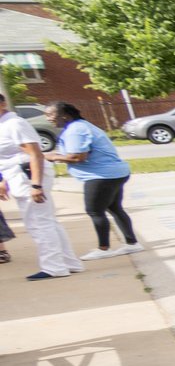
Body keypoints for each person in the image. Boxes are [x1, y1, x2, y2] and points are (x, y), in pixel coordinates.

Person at [43, 101, 139, 256]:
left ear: (65, 115)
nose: (47, 118)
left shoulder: (76, 130)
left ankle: (104, 249)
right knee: (114, 208)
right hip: (114, 173)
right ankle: (132, 243)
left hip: (101, 176)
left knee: (95, 211)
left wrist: (52, 157)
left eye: (50, 114)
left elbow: (78, 157)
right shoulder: (80, 126)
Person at [0, 103, 81, 279]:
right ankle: (69, 263)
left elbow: (35, 154)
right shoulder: (4, 124)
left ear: (2, 104)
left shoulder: (14, 124)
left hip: (29, 177)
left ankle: (54, 267)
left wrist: (36, 185)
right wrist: (5, 181)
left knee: (39, 224)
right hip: (19, 175)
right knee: (48, 221)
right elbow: (13, 156)